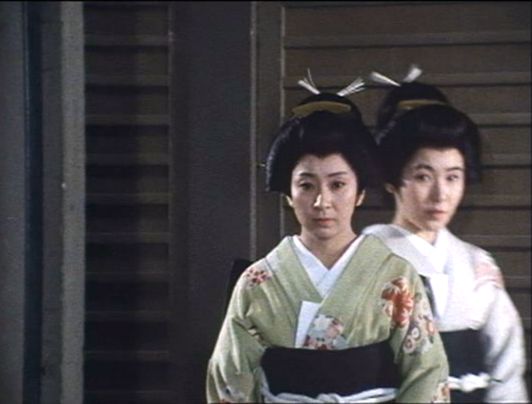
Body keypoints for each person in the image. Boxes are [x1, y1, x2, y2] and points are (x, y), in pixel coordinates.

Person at [206, 74, 450, 403]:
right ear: (288, 193)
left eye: (338, 185)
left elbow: (427, 374)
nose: (322, 202)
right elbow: (229, 380)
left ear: (360, 192)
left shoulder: (396, 277)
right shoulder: (256, 283)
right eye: (306, 185)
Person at [363, 66, 529, 402]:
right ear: (392, 180)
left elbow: (507, 370)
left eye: (453, 177)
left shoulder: (477, 264)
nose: (441, 195)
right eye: (423, 177)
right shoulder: (363, 258)